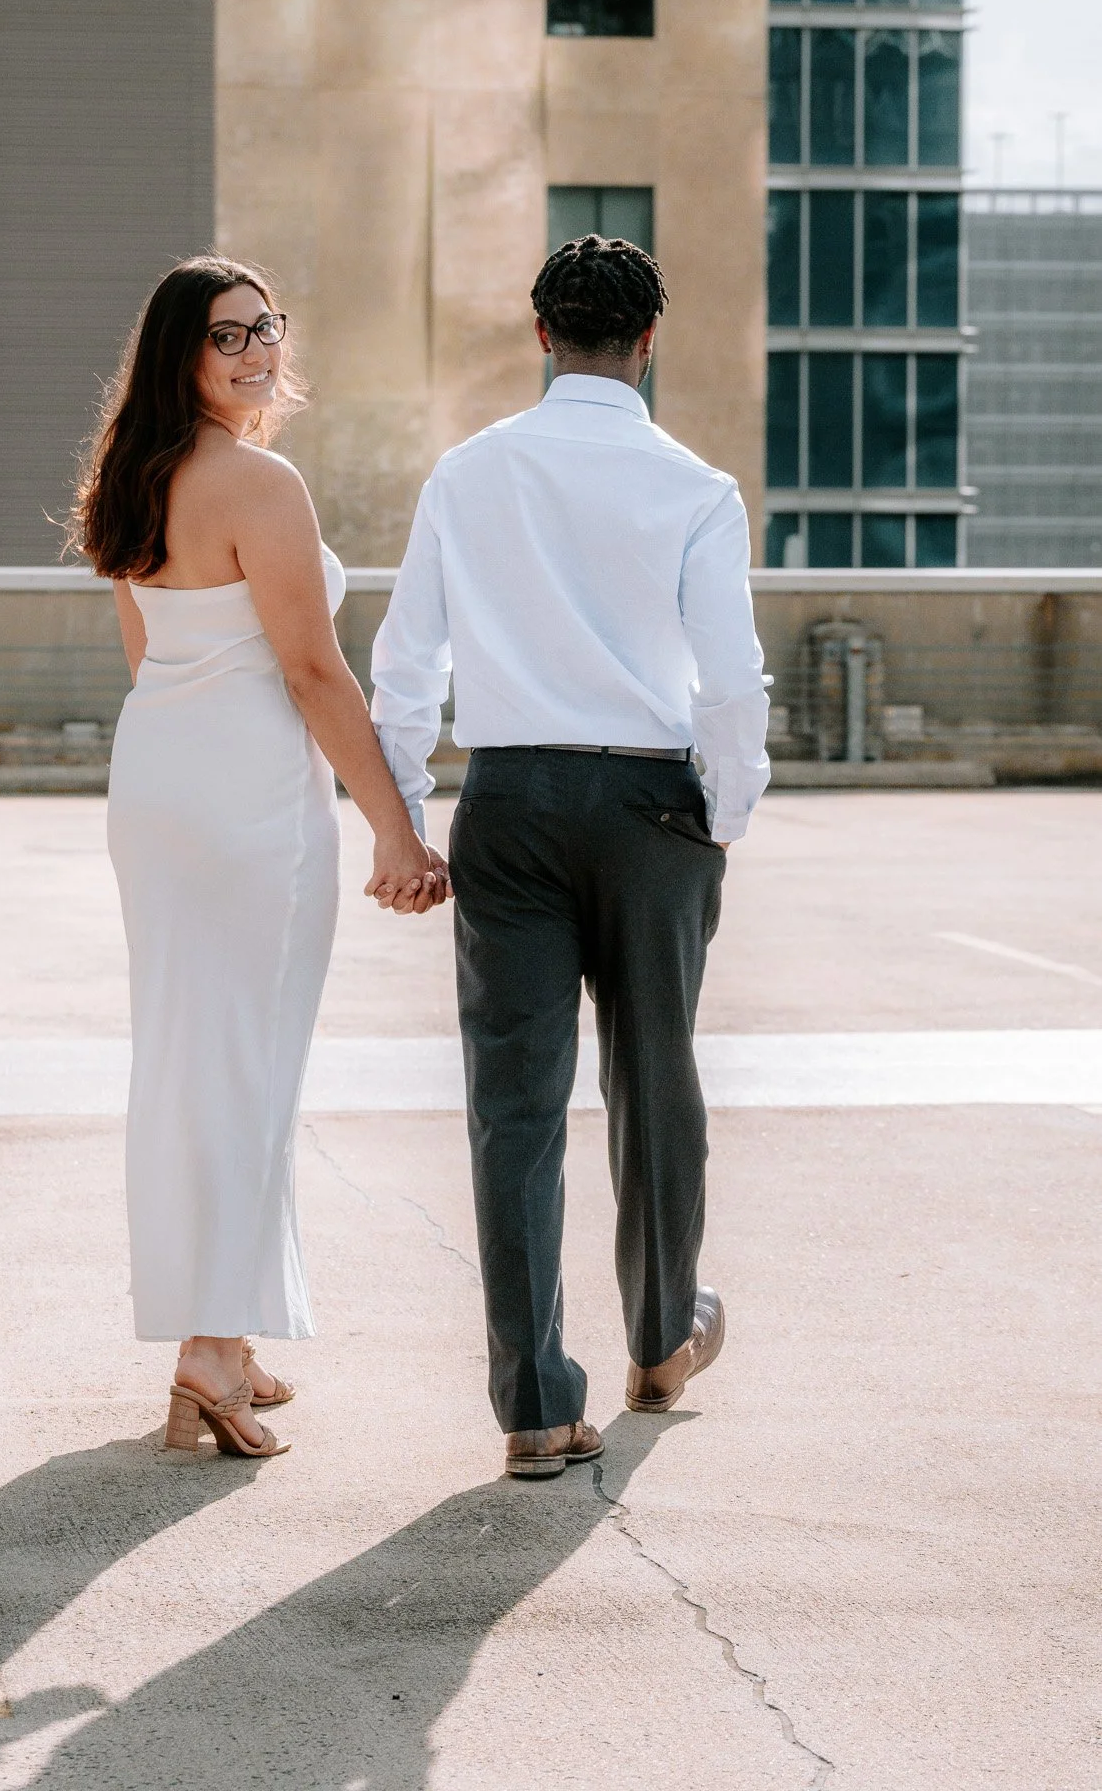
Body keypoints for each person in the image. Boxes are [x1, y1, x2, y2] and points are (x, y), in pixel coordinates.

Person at [371, 235, 770, 1479]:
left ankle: (536, 1403)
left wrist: (403, 818)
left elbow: (407, 664)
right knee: (657, 1075)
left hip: (513, 798)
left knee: (514, 1103)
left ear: (541, 336)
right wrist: (726, 813)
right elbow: (731, 680)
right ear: (649, 344)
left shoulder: (470, 473)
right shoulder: (697, 487)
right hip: (655, 806)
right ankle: (662, 1338)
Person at [71, 255, 448, 1461]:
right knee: (249, 1064)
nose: (255, 351)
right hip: (246, 800)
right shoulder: (260, 481)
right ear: (179, 353)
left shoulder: (133, 481)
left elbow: (151, 656)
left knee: (192, 1055)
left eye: (267, 327)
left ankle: (216, 1325)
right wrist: (390, 819)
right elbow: (312, 668)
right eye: (227, 335)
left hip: (161, 781)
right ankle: (214, 1350)